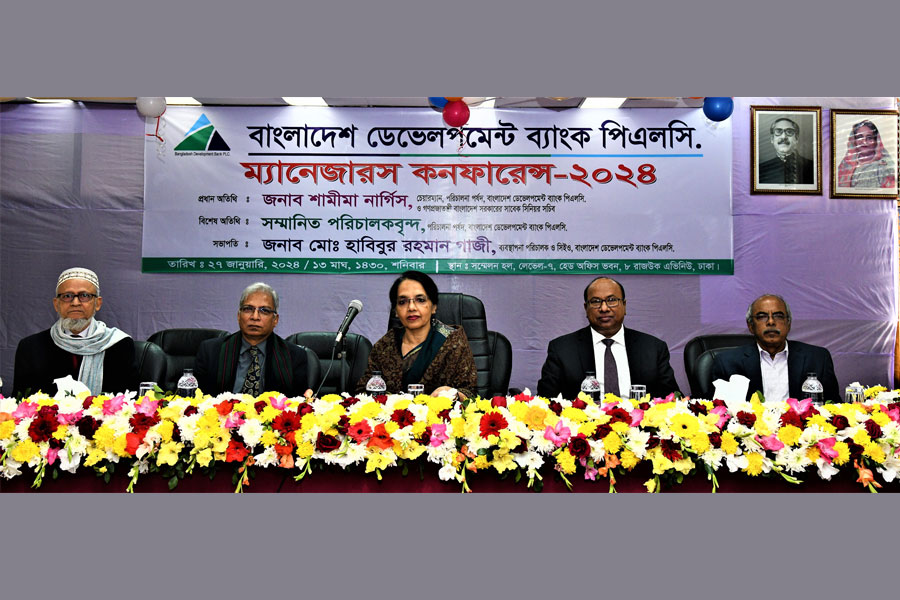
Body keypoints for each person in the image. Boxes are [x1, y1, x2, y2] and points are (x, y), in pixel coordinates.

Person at [537, 276, 680, 399]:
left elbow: (672, 399)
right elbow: (545, 401)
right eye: (595, 301)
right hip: (583, 422)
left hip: (641, 422)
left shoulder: (653, 348)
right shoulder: (562, 349)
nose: (604, 308)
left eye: (611, 300)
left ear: (624, 305)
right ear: (586, 308)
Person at [13, 267, 136, 396]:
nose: (75, 303)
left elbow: (128, 402)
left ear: (97, 303)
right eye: (67, 296)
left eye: (84, 296)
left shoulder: (119, 345)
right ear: (56, 304)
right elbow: (21, 402)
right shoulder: (31, 347)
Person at [356, 270, 477, 400]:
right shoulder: (384, 346)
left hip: (442, 412)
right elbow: (363, 391)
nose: (411, 307)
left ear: (434, 307)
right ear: (395, 311)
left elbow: (470, 394)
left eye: (420, 300)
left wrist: (452, 394)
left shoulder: (452, 341)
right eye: (402, 302)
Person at [710, 294, 839, 402]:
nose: (771, 322)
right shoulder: (727, 362)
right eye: (762, 316)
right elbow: (715, 412)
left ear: (788, 323)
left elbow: (834, 407)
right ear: (750, 326)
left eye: (778, 316)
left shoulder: (817, 358)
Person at [194, 282, 310, 397]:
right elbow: (197, 399)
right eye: (248, 309)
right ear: (238, 316)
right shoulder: (211, 351)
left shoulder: (294, 356)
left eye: (264, 310)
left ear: (275, 319)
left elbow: (297, 402)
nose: (255, 317)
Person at [837, 120, 896, 189]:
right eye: (860, 137)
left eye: (869, 138)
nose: (864, 141)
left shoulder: (884, 166)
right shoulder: (845, 164)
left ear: (876, 141)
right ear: (854, 140)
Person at [758, 117, 814, 184]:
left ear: (796, 139)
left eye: (789, 132)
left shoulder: (813, 167)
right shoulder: (760, 170)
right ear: (772, 139)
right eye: (778, 131)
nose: (784, 137)